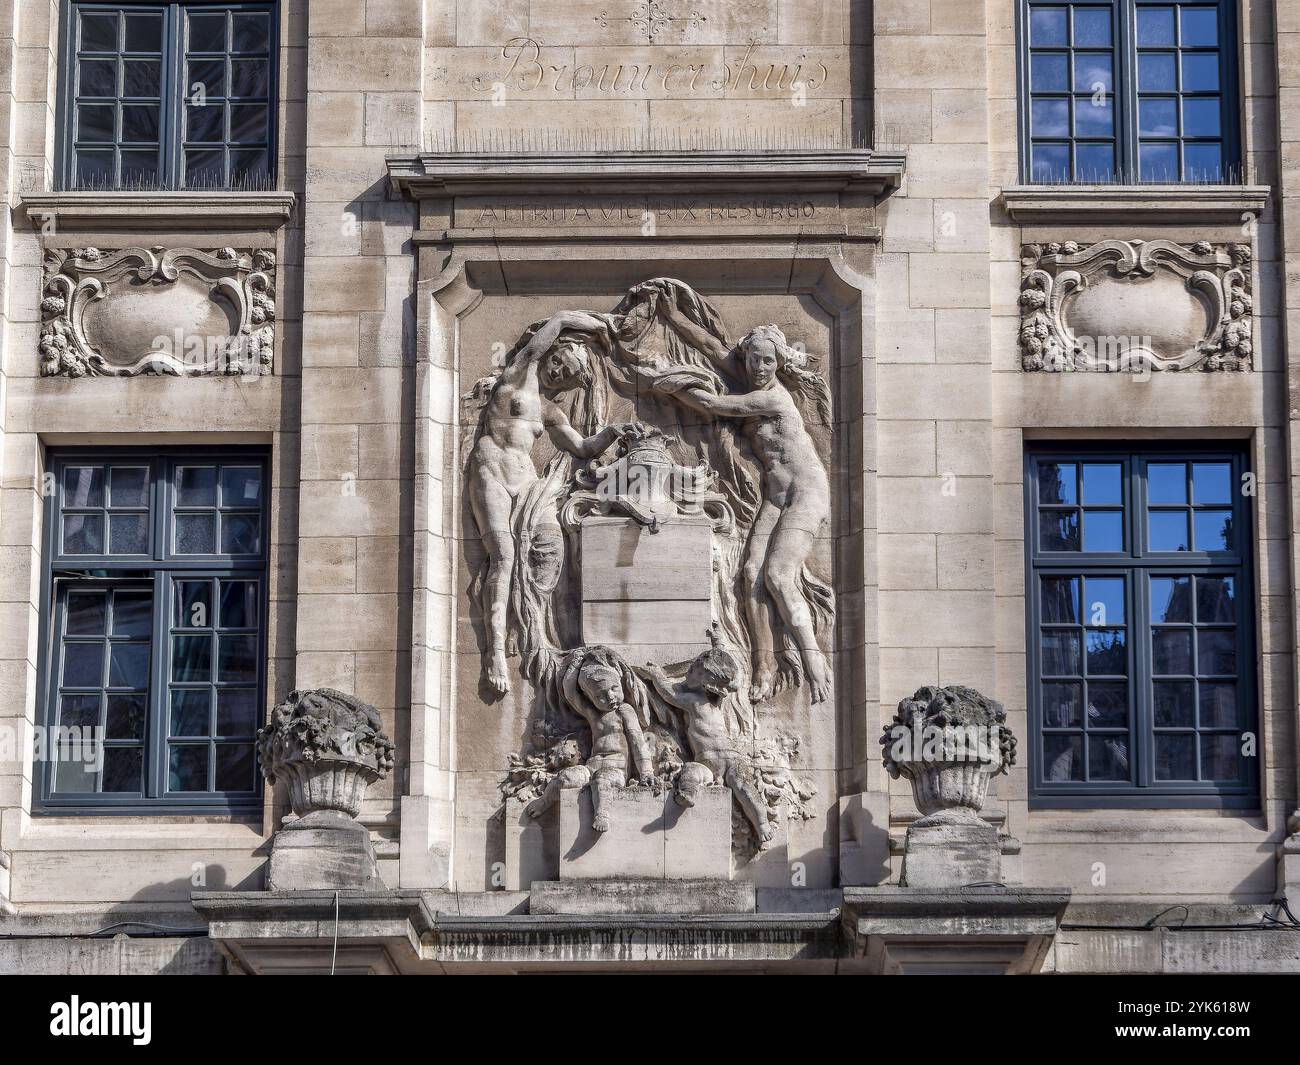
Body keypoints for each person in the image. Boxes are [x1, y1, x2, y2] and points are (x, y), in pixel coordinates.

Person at [649, 303, 834, 703]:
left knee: (779, 577)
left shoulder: (775, 400)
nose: (762, 368)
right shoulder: (750, 380)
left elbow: (716, 407)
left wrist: (670, 383)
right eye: (755, 359)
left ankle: (813, 658)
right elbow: (712, 346)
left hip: (806, 492)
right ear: (747, 357)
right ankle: (764, 666)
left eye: (769, 361)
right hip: (777, 494)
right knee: (751, 574)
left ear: (778, 362)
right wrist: (673, 315)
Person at [467, 310, 634, 694]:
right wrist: (596, 326)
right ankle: (495, 652)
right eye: (558, 361)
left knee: (551, 543)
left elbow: (583, 447)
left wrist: (614, 432)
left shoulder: (551, 411)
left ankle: (530, 619)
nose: (557, 371)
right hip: (491, 472)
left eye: (567, 372)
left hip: (526, 480)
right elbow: (555, 323)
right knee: (504, 556)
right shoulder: (518, 375)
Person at [640, 635, 776, 848]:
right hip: (705, 763)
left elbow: (732, 679)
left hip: (731, 759)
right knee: (691, 772)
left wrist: (657, 674)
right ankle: (688, 793)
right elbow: (669, 694)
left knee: (745, 788)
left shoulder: (703, 702)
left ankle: (762, 824)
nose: (690, 670)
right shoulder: (696, 701)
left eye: (695, 670)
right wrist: (717, 645)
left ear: (706, 682)